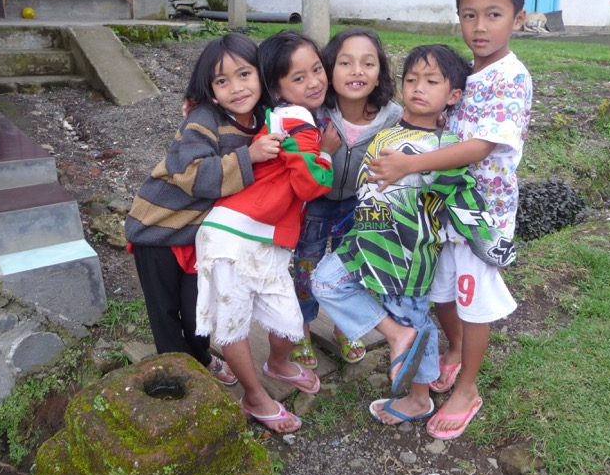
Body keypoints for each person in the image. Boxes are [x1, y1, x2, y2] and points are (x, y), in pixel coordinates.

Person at [367, 0, 531, 440]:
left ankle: (468, 390)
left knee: (472, 299)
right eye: (469, 15)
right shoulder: (466, 74)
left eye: (494, 15)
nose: (480, 26)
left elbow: (480, 147)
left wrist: (409, 165)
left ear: (518, 19)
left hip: (482, 216)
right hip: (442, 209)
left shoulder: (510, 77)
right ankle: (455, 351)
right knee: (441, 292)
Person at [311, 44, 515, 425]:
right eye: (411, 79)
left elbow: (464, 196)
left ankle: (419, 398)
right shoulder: (386, 133)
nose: (419, 87)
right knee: (324, 281)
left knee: (415, 323)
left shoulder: (444, 149)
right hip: (363, 245)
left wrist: (488, 240)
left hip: (407, 261)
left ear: (453, 95)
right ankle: (395, 336)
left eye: (432, 81)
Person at [195, 30, 333, 434]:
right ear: (277, 88)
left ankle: (278, 364)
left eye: (317, 69)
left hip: (265, 235)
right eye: (299, 77)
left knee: (286, 314)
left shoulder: (288, 117)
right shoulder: (295, 117)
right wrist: (327, 153)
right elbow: (310, 184)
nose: (314, 82)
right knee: (234, 322)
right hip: (233, 237)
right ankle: (255, 397)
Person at [125, 33, 282, 387]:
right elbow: (191, 173)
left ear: (261, 75)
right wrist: (249, 157)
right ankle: (177, 378)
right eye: (222, 81)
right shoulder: (204, 119)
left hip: (200, 233)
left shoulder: (265, 118)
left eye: (245, 74)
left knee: (199, 307)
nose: (236, 88)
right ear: (210, 90)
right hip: (159, 227)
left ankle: (200, 356)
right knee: (165, 311)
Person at [291, 28, 403, 368]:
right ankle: (301, 331)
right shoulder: (313, 111)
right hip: (315, 205)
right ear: (328, 69)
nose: (357, 71)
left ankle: (345, 328)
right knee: (306, 270)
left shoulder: (393, 117)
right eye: (345, 63)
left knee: (352, 270)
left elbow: (424, 126)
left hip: (359, 205)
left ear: (379, 73)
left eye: (368, 63)